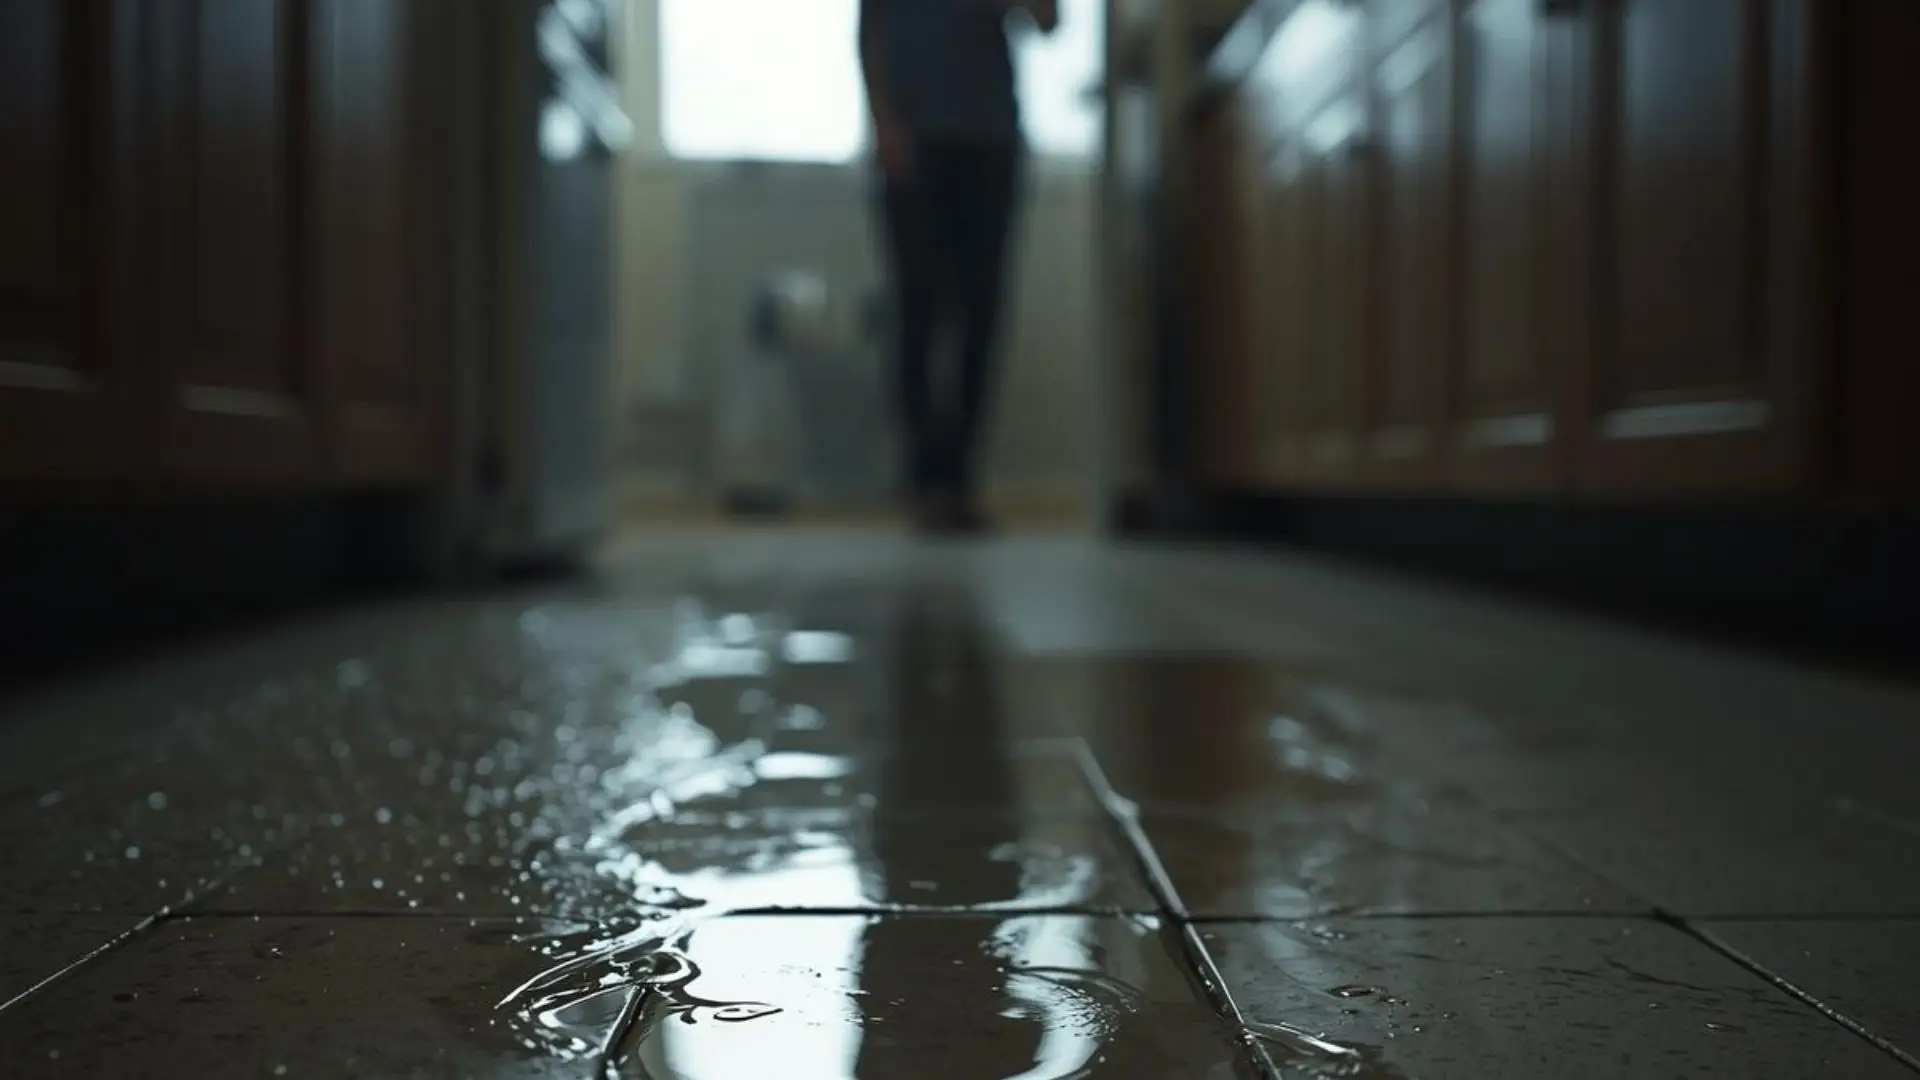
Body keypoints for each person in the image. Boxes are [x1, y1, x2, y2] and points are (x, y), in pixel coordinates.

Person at [859, 0, 1060, 533]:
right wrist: (884, 126)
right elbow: (870, 30)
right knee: (918, 311)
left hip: (990, 139)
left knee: (982, 316)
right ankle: (924, 483)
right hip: (915, 141)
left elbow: (1048, 21)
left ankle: (960, 482)